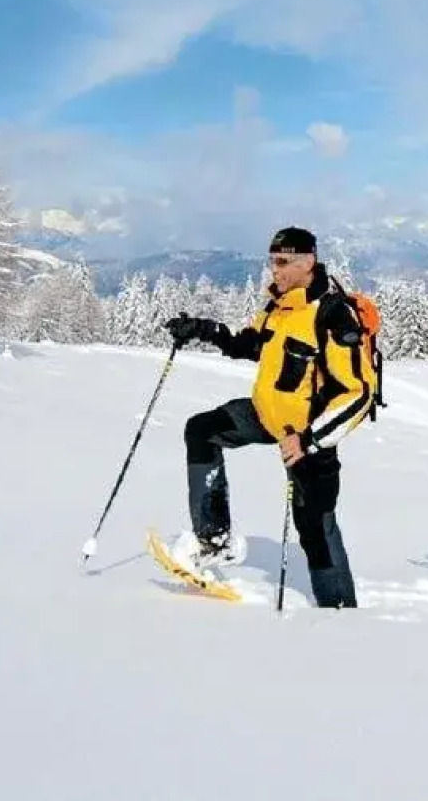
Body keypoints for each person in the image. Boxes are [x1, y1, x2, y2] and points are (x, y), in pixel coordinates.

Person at [163, 226, 374, 608]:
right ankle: (214, 540)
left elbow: (358, 393)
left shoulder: (332, 315)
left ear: (308, 262)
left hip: (308, 437)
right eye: (272, 260)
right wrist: (204, 330)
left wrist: (309, 440)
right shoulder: (278, 306)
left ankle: (340, 612)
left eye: (283, 261)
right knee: (202, 429)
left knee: (315, 527)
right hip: (265, 415)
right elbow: (249, 344)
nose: (274, 269)